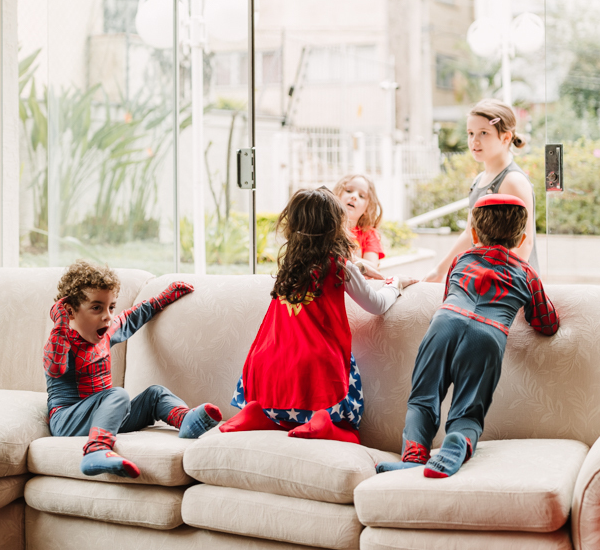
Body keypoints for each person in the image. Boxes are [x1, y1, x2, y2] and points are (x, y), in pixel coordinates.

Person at [377, 195, 558, 479]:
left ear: (474, 234)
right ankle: (458, 442)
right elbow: (547, 324)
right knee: (468, 409)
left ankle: (413, 457)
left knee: (423, 397)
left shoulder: (461, 260)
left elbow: (449, 294)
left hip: (445, 323)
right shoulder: (527, 273)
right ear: (522, 238)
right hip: (488, 335)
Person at [220, 186, 413, 444]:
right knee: (352, 434)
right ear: (336, 226)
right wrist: (395, 284)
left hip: (266, 364)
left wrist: (357, 266)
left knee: (280, 411)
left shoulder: (289, 266)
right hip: (317, 367)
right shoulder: (340, 267)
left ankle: (257, 413)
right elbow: (376, 305)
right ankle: (326, 423)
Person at [44, 260, 221, 479]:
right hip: (67, 421)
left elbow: (132, 317)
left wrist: (165, 297)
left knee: (155, 394)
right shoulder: (59, 341)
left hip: (108, 417)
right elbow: (55, 367)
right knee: (118, 394)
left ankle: (185, 421)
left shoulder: (105, 334)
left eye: (111, 307)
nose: (107, 316)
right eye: (96, 308)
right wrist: (60, 324)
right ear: (69, 311)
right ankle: (96, 450)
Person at [424, 99, 538, 282]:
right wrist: (439, 271)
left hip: (510, 286)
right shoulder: (479, 180)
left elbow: (525, 243)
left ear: (506, 137)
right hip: (486, 282)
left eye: (484, 133)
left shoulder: (513, 181)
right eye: (470, 133)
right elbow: (469, 234)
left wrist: (503, 286)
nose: (474, 141)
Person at [334, 173, 386, 266]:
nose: (354, 196)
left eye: (361, 196)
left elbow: (373, 266)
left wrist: (348, 257)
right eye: (349, 191)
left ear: (367, 208)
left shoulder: (369, 234)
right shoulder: (327, 227)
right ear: (337, 195)